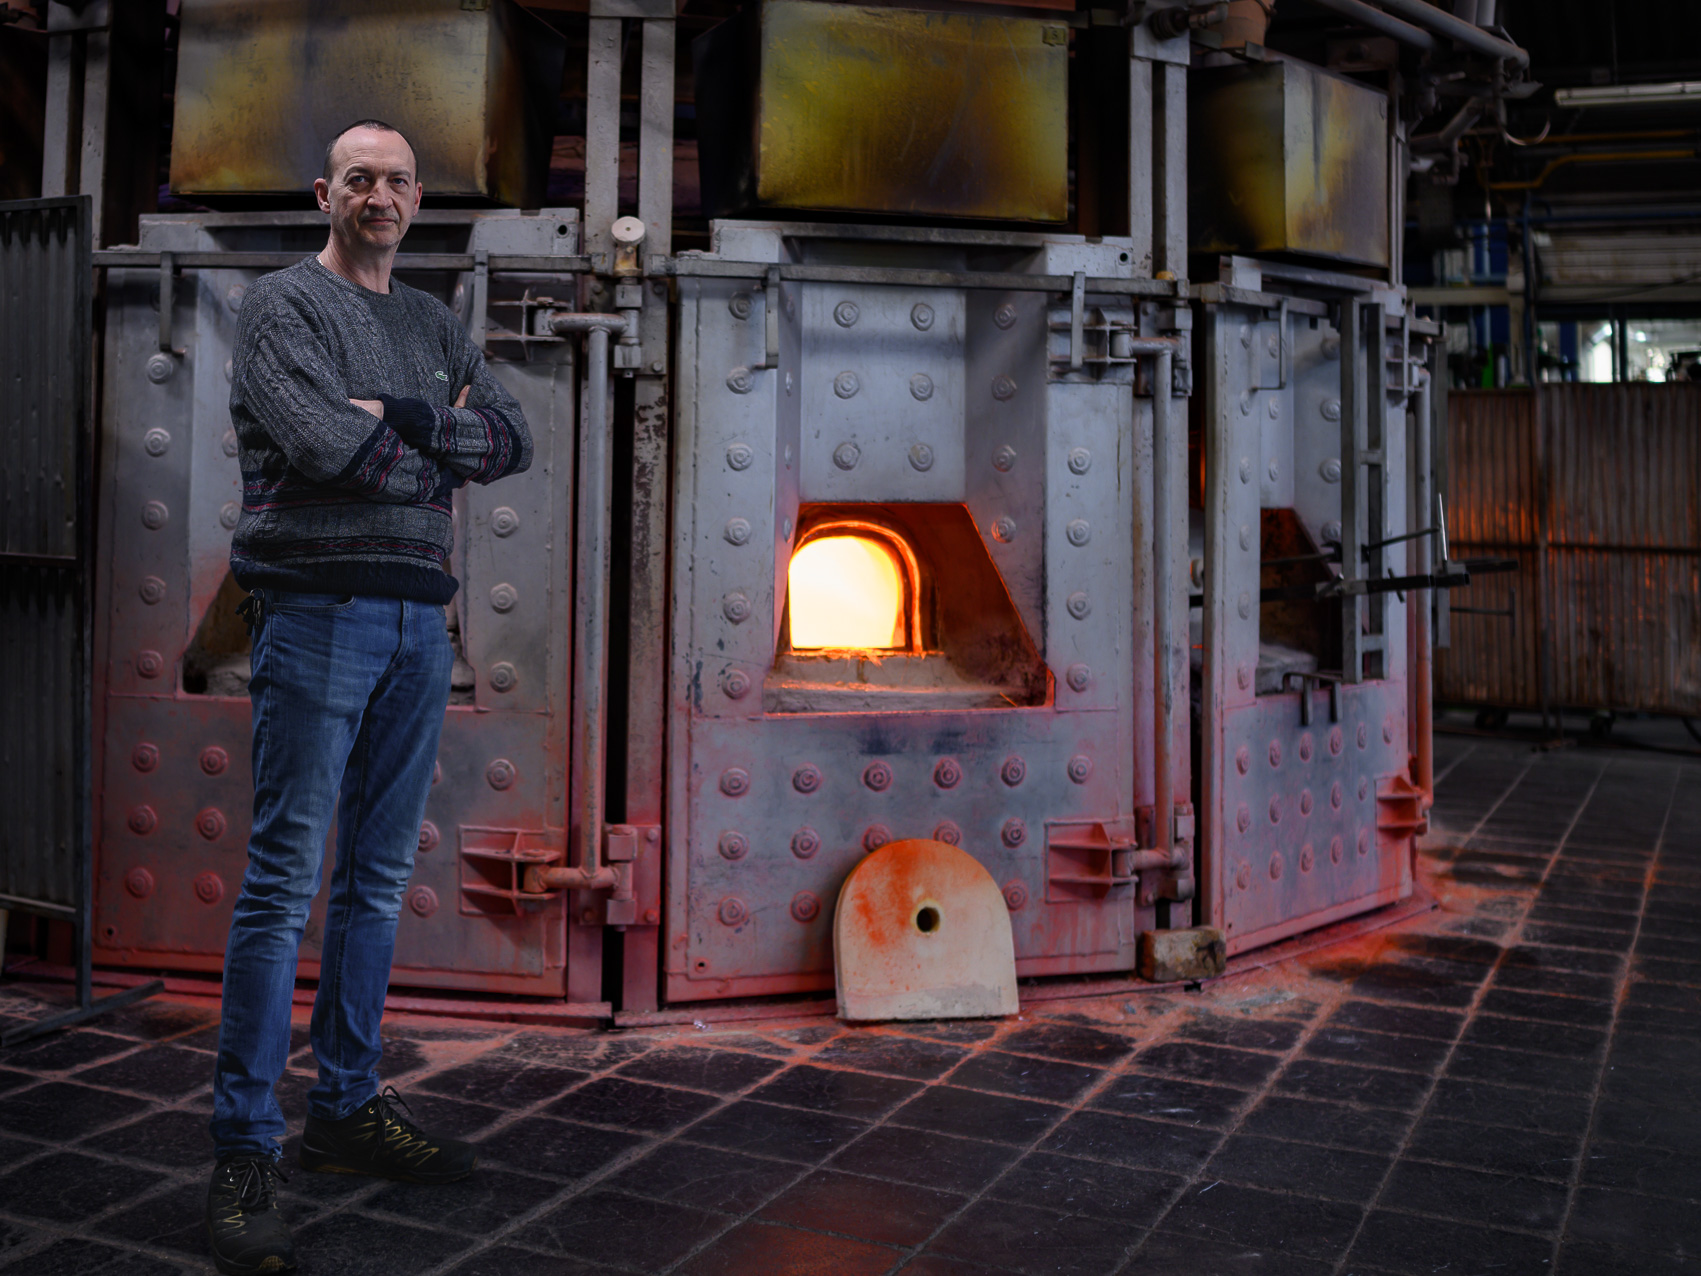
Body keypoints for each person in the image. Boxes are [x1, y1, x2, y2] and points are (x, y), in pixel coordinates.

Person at [205, 119, 531, 1276]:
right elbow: (320, 447)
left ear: (416, 198)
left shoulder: (433, 322)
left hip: (415, 624)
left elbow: (513, 438)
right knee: (284, 880)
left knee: (377, 879)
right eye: (358, 179)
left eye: (395, 179)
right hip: (317, 613)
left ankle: (345, 1109)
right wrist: (436, 447)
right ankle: (244, 1146)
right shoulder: (281, 307)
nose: (378, 194)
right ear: (324, 193)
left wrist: (395, 416)